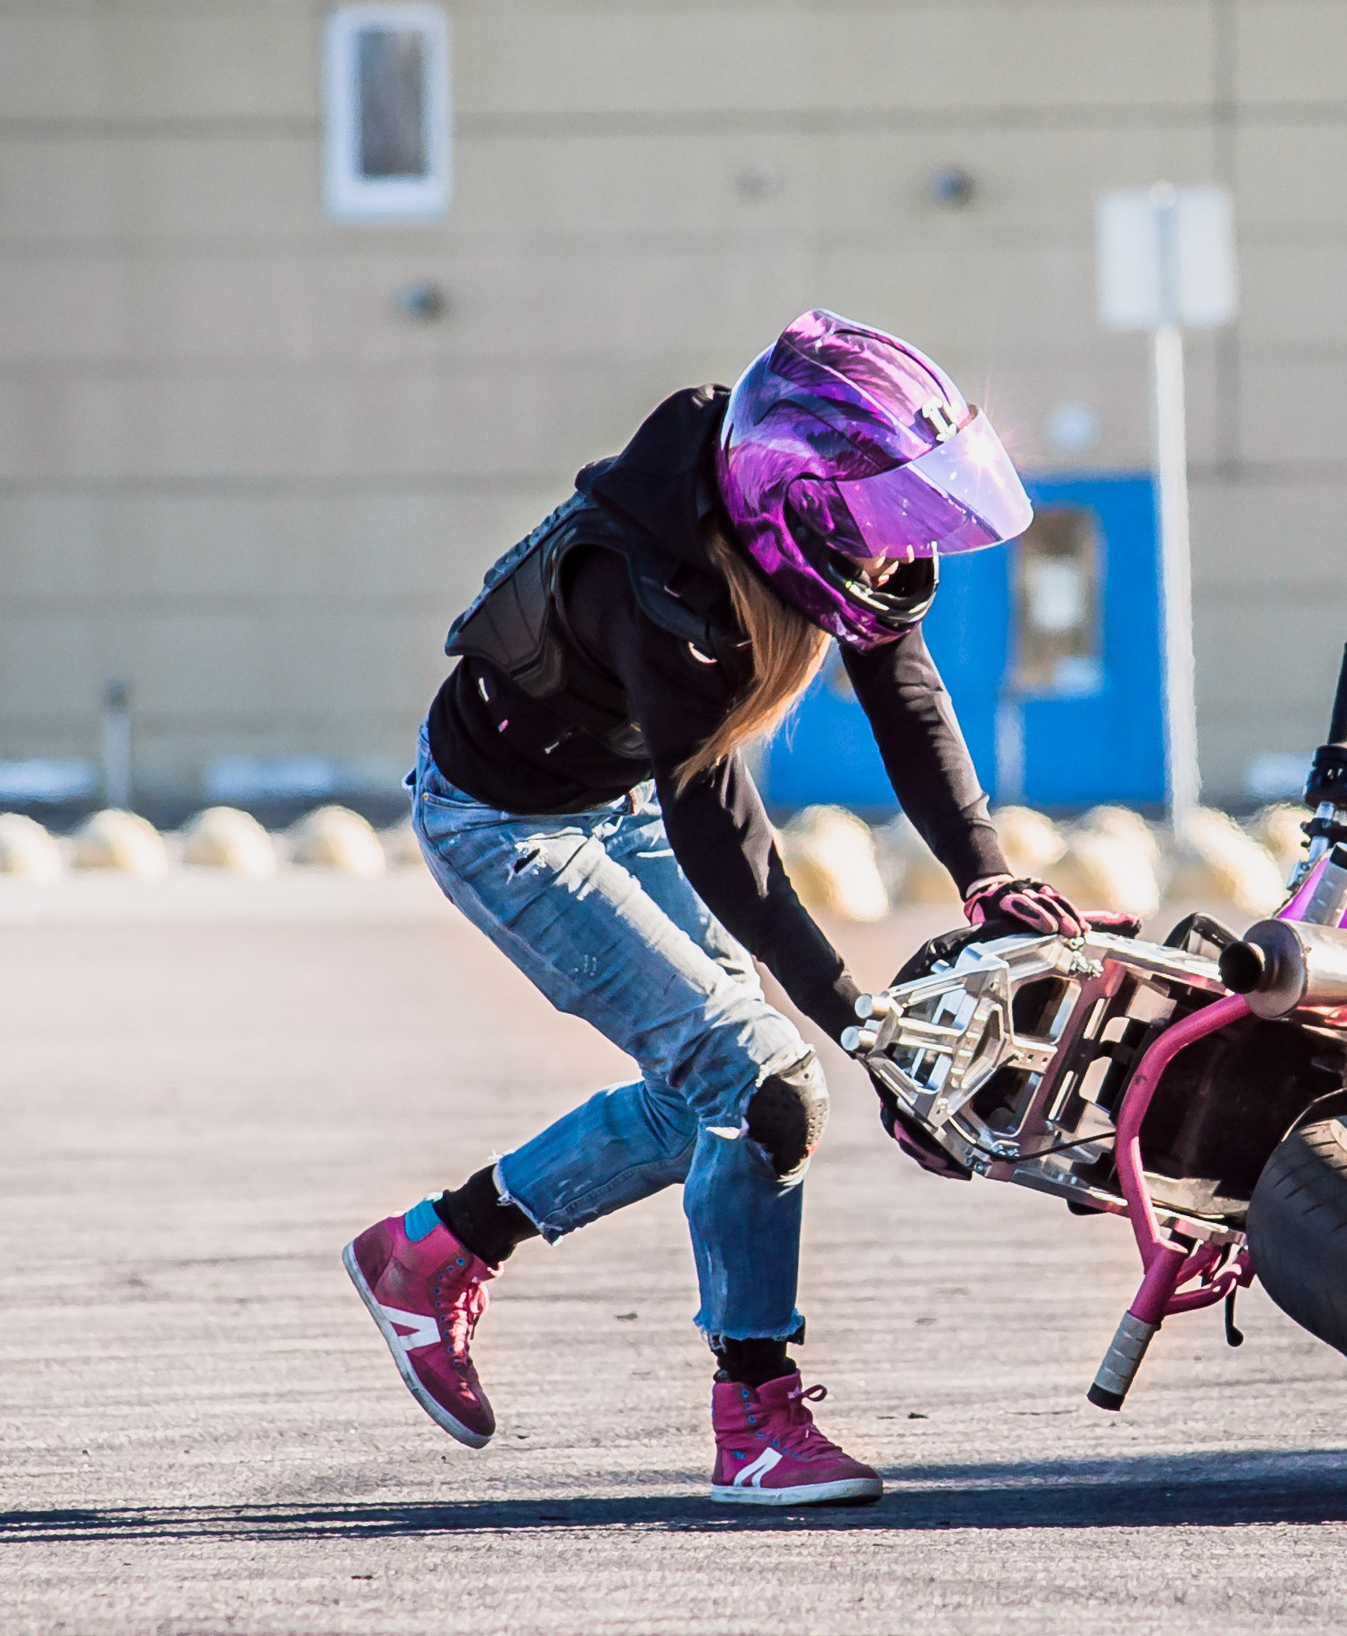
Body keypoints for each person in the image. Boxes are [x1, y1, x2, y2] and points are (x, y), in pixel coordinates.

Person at [341, 310, 1098, 1507]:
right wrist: (860, 1031)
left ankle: (431, 1249)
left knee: (723, 1087)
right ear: (795, 503)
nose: (902, 552)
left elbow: (903, 690)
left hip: (615, 793)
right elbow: (723, 835)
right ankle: (753, 1419)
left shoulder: (780, 506)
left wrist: (985, 868)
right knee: (763, 1087)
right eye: (883, 519)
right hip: (508, 827)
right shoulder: (656, 585)